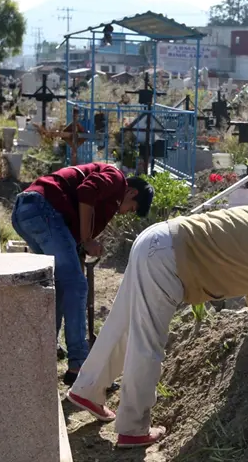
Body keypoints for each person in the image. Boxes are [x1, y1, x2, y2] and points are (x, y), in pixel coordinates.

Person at [66, 199, 248, 448]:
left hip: (156, 241)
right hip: (167, 257)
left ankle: (88, 389)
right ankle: (133, 429)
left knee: (121, 323)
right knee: (148, 340)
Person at [11, 163, 153, 386]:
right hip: (42, 207)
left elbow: (73, 226)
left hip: (26, 211)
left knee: (58, 285)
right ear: (132, 192)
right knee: (77, 286)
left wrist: (81, 245)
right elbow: (86, 192)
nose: (125, 212)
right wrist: (87, 239)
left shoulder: (108, 199)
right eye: (132, 208)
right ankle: (80, 365)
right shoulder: (117, 178)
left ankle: (46, 350)